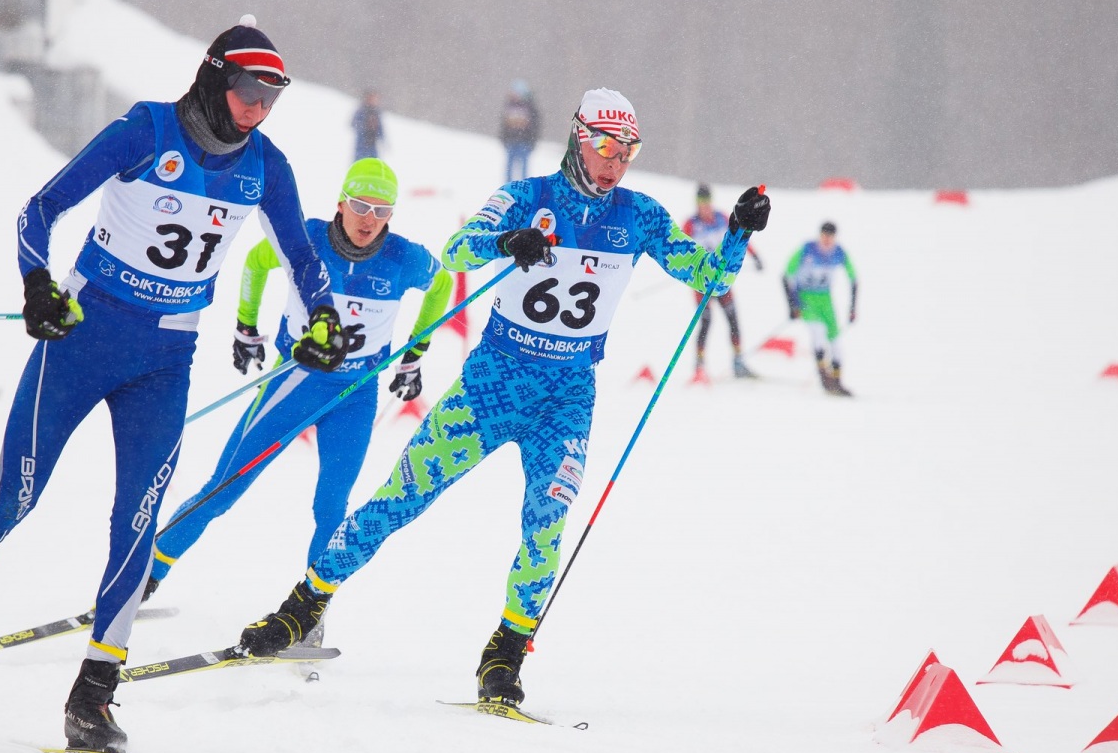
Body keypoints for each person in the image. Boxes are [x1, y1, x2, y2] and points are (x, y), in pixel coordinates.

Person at [0, 17, 352, 753]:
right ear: (217, 78)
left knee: (138, 519)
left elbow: (303, 256)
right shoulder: (145, 131)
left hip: (165, 362)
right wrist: (37, 284)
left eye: (271, 99)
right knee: (14, 496)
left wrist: (322, 317)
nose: (258, 110)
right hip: (82, 339)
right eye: (250, 91)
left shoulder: (267, 167)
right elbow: (40, 209)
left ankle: (94, 693)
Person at [229, 88, 769, 708]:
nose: (616, 161)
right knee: (402, 498)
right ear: (577, 140)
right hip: (493, 382)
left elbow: (711, 279)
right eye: (605, 147)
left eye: (628, 150)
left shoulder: (639, 215)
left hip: (567, 396)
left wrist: (736, 234)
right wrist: (508, 241)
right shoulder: (528, 197)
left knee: (546, 523)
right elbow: (458, 251)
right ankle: (302, 607)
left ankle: (505, 656)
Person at [146, 157, 452, 636]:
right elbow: (257, 262)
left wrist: (417, 352)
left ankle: (310, 614)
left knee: (332, 506)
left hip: (355, 395)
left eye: (380, 209)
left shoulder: (403, 258)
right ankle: (147, 574)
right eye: (359, 205)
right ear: (340, 204)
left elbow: (443, 284)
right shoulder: (306, 240)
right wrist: (248, 327)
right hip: (295, 382)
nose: (368, 218)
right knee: (225, 488)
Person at [683, 183, 761, 381]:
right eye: (701, 202)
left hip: (722, 280)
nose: (705, 206)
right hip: (701, 282)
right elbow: (682, 248)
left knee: (733, 319)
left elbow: (738, 237)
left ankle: (738, 362)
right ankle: (699, 365)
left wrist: (755, 256)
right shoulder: (691, 224)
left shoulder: (722, 218)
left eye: (707, 202)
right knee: (706, 321)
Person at [783, 220, 859, 396]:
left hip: (826, 301)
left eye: (830, 237)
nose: (827, 240)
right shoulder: (807, 250)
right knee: (817, 334)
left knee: (836, 341)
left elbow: (854, 279)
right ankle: (824, 377)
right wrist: (792, 305)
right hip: (806, 299)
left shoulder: (839, 253)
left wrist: (853, 308)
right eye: (824, 236)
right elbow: (786, 275)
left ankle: (837, 381)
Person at [498, 80, 539, 182]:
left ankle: (524, 186)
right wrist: (503, 138)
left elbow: (535, 126)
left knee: (523, 167)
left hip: (525, 142)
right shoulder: (509, 106)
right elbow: (504, 124)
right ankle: (508, 186)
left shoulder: (530, 107)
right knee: (509, 166)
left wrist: (532, 141)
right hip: (511, 141)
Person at [351, 90, 385, 161]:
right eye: (371, 98)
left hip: (372, 144)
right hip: (362, 143)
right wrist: (365, 126)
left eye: (375, 99)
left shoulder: (376, 112)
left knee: (374, 162)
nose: (373, 100)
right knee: (359, 161)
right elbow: (354, 124)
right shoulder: (361, 111)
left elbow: (380, 128)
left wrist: (383, 139)